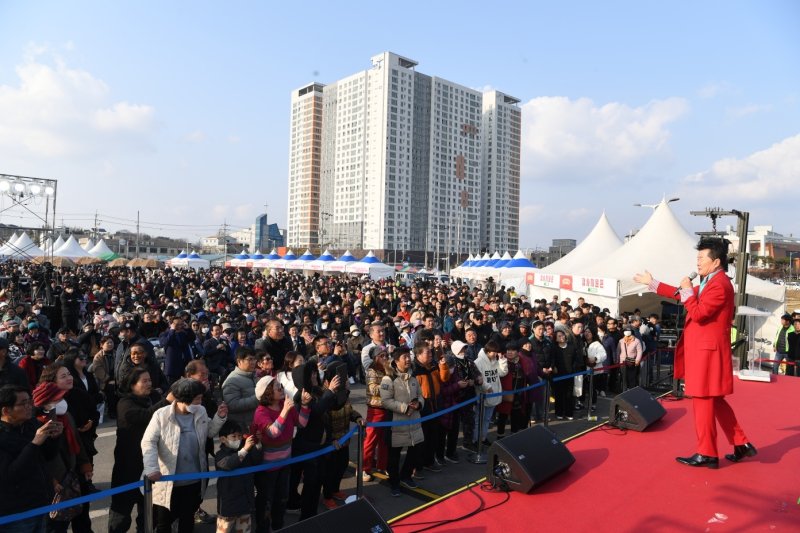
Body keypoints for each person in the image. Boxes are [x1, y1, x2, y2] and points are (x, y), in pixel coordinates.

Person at [634, 237, 756, 468]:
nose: (697, 262)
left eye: (701, 257)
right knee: (715, 401)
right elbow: (682, 294)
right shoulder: (712, 281)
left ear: (716, 261)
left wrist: (689, 291)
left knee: (702, 401)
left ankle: (707, 453)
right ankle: (741, 443)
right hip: (706, 351)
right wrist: (653, 283)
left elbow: (698, 313)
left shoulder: (719, 285)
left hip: (707, 353)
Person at [141, 378, 228, 533]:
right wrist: (152, 468)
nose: (200, 403)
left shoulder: (200, 411)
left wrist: (219, 418)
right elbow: (148, 442)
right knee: (163, 522)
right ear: (184, 399)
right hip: (167, 480)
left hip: (193, 479)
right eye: (197, 399)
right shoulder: (161, 415)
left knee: (187, 519)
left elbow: (210, 432)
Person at [108, 368, 169, 533]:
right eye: (144, 381)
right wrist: (167, 401)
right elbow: (145, 416)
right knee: (121, 514)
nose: (149, 384)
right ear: (132, 385)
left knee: (148, 513)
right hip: (128, 466)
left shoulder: (154, 398)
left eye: (150, 380)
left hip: (150, 465)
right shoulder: (124, 403)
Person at [31, 377, 94, 533]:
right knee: (56, 523)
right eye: (57, 399)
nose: (62, 401)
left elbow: (78, 442)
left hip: (73, 473)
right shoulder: (37, 424)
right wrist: (51, 479)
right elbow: (39, 457)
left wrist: (85, 464)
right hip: (55, 481)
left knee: (80, 515)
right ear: (45, 402)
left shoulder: (67, 417)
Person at [250, 374, 310, 533]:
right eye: (277, 387)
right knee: (266, 500)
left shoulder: (285, 405)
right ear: (267, 393)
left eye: (281, 386)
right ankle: (262, 529)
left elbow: (302, 423)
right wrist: (284, 411)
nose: (281, 389)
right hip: (267, 467)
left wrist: (304, 405)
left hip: (285, 463)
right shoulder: (261, 412)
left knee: (281, 499)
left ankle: (278, 526)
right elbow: (273, 432)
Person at [0, 384, 62, 533]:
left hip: (39, 503)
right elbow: (9, 475)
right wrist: (34, 443)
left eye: (30, 401)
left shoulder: (31, 424)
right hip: (14, 513)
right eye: (23, 404)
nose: (29, 406)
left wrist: (55, 438)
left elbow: (48, 456)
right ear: (6, 410)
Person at [380, 346, 425, 497]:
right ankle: (394, 483)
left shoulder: (413, 377)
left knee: (416, 449)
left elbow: (420, 395)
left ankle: (406, 476)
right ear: (396, 360)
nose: (408, 359)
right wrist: (405, 408)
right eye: (404, 357)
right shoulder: (389, 379)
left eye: (408, 356)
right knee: (394, 455)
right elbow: (386, 401)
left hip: (414, 421)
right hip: (397, 423)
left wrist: (419, 404)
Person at [321, 361, 362, 510]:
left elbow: (349, 409)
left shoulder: (344, 393)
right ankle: (327, 496)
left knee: (342, 465)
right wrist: (331, 440)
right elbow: (323, 421)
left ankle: (336, 490)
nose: (343, 381)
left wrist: (357, 417)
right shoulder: (324, 395)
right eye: (339, 378)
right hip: (332, 443)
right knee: (329, 470)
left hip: (344, 438)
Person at [214, 420, 262, 533]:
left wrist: (257, 443)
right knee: (223, 530)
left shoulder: (246, 451)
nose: (237, 439)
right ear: (222, 439)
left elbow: (257, 461)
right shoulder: (220, 454)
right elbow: (229, 464)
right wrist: (244, 450)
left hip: (245, 501)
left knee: (245, 530)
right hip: (227, 504)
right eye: (233, 436)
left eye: (239, 436)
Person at [473, 340, 508, 447]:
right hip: (483, 395)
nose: (495, 354)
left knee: (487, 419)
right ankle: (475, 440)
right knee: (478, 420)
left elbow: (502, 373)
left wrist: (502, 361)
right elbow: (478, 378)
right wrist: (487, 387)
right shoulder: (478, 362)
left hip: (493, 395)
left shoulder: (495, 360)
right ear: (488, 351)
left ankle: (483, 438)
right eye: (493, 352)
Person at [362, 346, 390, 481]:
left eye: (386, 355)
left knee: (385, 440)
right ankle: (364, 469)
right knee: (370, 441)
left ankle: (382, 465)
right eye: (382, 356)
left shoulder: (388, 368)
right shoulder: (371, 371)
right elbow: (373, 388)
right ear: (375, 358)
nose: (385, 358)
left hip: (388, 409)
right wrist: (389, 386)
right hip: (375, 409)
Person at [222, 346, 259, 429]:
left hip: (255, 423)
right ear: (239, 361)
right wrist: (258, 398)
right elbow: (232, 405)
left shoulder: (254, 375)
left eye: (254, 359)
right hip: (242, 427)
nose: (253, 362)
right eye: (250, 359)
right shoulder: (232, 381)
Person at [618, 325, 643, 390]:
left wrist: (637, 360)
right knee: (624, 378)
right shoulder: (621, 341)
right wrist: (618, 360)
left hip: (632, 362)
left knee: (632, 378)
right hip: (622, 362)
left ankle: (632, 391)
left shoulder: (636, 341)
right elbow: (618, 351)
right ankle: (624, 391)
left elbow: (639, 351)